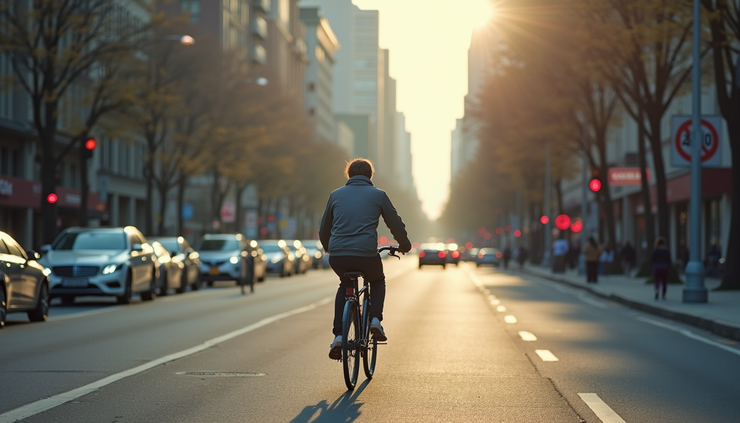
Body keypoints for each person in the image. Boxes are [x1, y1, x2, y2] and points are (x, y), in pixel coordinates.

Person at [319, 158, 412, 360]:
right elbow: (395, 223)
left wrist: (329, 248)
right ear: (371, 175)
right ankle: (375, 320)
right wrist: (404, 245)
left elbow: (324, 228)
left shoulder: (335, 195)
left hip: (338, 255)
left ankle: (339, 336)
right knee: (377, 280)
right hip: (366, 254)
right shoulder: (378, 195)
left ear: (348, 174)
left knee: (344, 286)